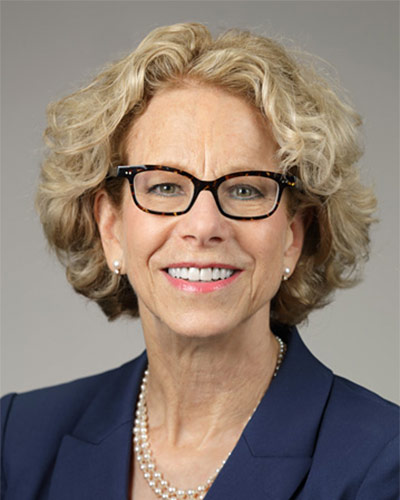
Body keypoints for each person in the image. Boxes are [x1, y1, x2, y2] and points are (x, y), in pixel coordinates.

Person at [1, 22, 398, 500]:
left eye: (246, 189)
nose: (204, 225)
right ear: (112, 229)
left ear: (293, 236)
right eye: (165, 186)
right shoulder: (16, 440)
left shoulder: (382, 462)